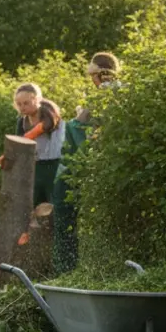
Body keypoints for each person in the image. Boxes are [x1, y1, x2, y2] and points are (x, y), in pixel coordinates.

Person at [54, 52, 121, 273]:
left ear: (101, 73)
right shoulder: (123, 89)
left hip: (90, 156)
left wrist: (79, 115)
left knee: (65, 205)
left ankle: (65, 265)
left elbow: (80, 123)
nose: (92, 80)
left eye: (93, 75)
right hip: (111, 152)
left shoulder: (105, 91)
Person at [0, 83, 64, 208]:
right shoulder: (22, 121)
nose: (22, 107)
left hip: (54, 164)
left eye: (26, 103)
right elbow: (18, 144)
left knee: (54, 203)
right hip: (35, 165)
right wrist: (7, 157)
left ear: (37, 100)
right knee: (33, 203)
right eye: (19, 104)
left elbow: (31, 135)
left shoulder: (49, 115)